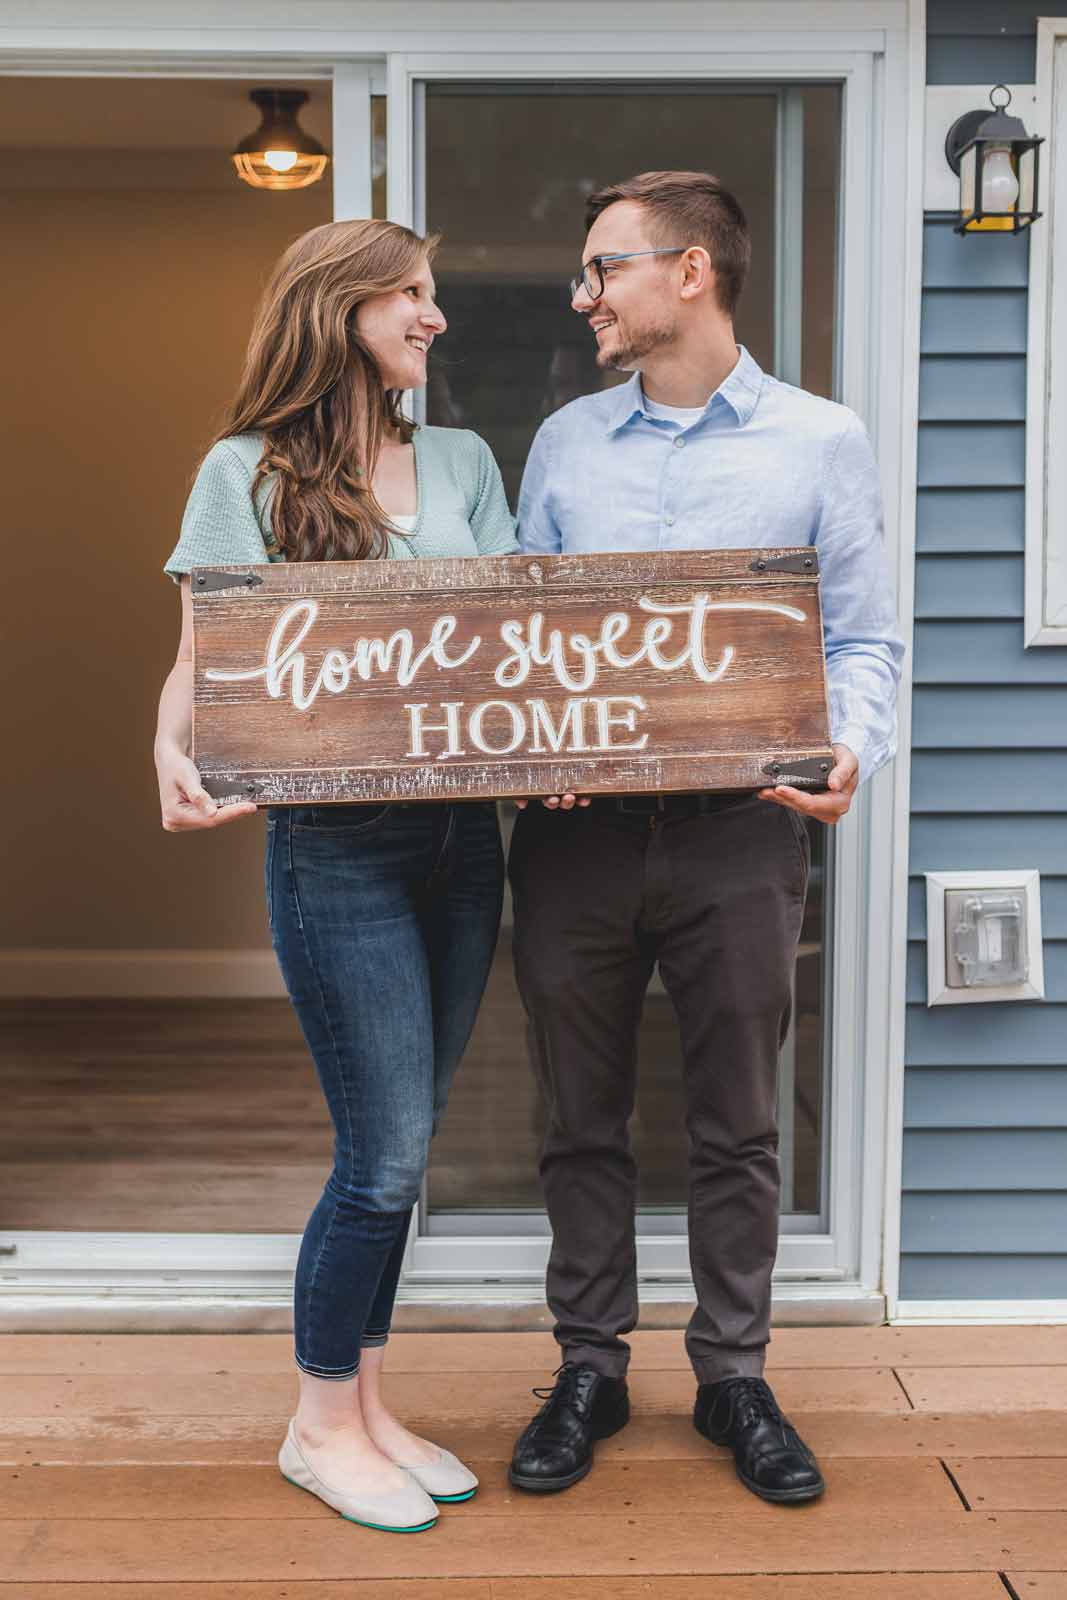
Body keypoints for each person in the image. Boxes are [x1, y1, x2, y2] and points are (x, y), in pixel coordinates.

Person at [507, 171, 904, 1504]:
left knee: (739, 1124)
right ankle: (590, 1369)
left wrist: (853, 748)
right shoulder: (563, 441)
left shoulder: (819, 441)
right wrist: (530, 749)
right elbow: (523, 644)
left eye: (604, 268)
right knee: (578, 1118)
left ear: (690, 274)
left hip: (744, 836)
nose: (585, 294)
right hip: (575, 844)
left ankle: (735, 1373)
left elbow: (862, 640)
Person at [154, 219, 517, 1533]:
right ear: (339, 310)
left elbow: (519, 639)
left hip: (464, 845)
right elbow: (208, 651)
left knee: (402, 1158)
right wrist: (166, 746)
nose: (433, 317)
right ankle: (317, 1425)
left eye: (432, 291)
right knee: (383, 1152)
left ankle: (365, 1402)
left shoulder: (466, 461)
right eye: (409, 295)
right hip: (336, 847)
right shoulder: (242, 472)